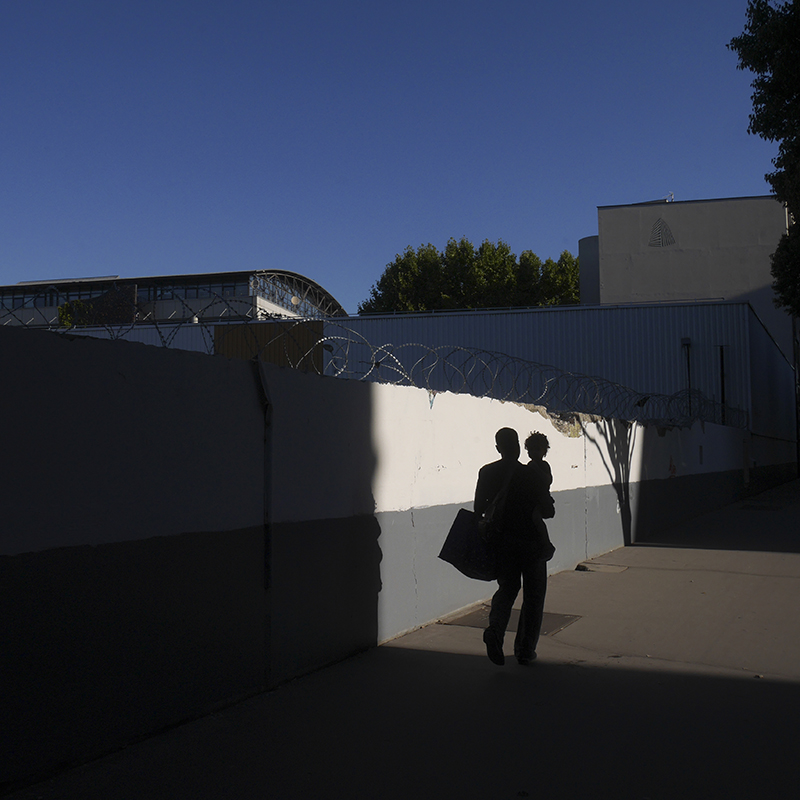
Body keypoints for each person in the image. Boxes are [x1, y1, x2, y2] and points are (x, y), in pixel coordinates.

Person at [474, 428, 552, 666]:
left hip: (503, 542)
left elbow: (479, 509)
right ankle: (525, 650)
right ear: (518, 446)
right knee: (533, 596)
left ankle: (495, 631)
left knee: (507, 589)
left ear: (498, 448)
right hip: (531, 543)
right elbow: (548, 510)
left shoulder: (487, 472)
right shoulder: (531, 474)